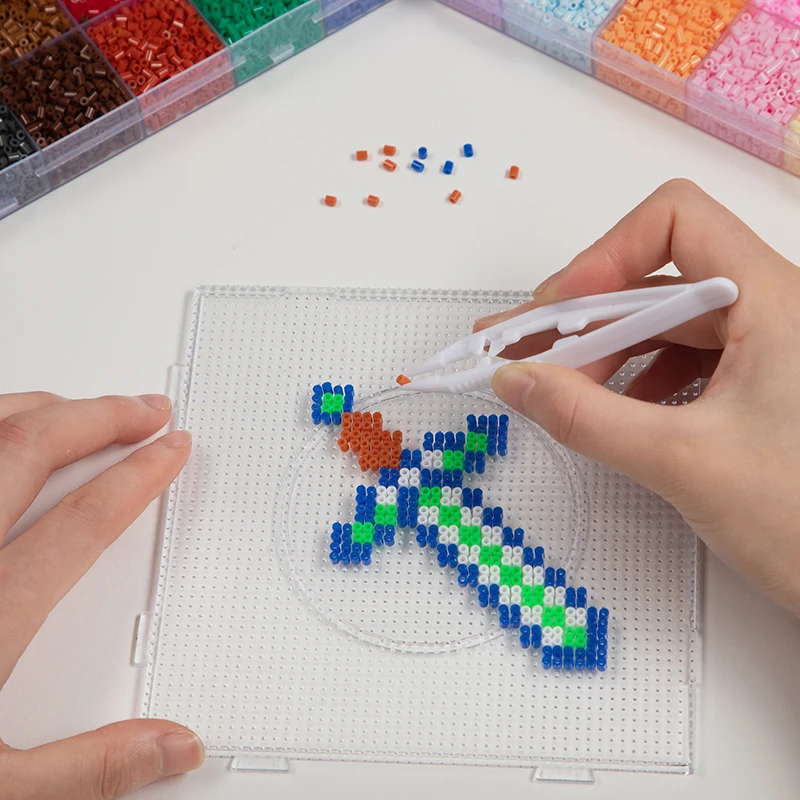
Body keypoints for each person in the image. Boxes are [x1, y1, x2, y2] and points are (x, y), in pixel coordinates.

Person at [0, 179, 797, 798]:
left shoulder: (410, 483)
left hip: (477, 539)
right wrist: (370, 520)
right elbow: (406, 495)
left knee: (506, 571)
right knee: (499, 567)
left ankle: (554, 617)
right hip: (463, 530)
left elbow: (439, 470)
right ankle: (554, 617)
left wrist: (387, 505)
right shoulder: (403, 486)